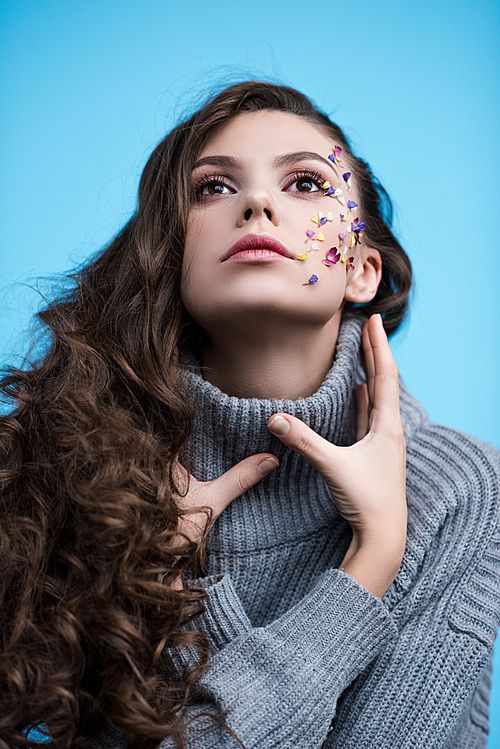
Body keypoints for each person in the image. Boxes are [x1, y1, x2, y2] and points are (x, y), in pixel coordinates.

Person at [1, 81, 499, 749]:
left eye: (306, 182)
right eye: (212, 188)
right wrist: (166, 578)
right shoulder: (90, 478)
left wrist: (386, 545)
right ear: (173, 254)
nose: (257, 203)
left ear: (362, 270)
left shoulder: (461, 490)